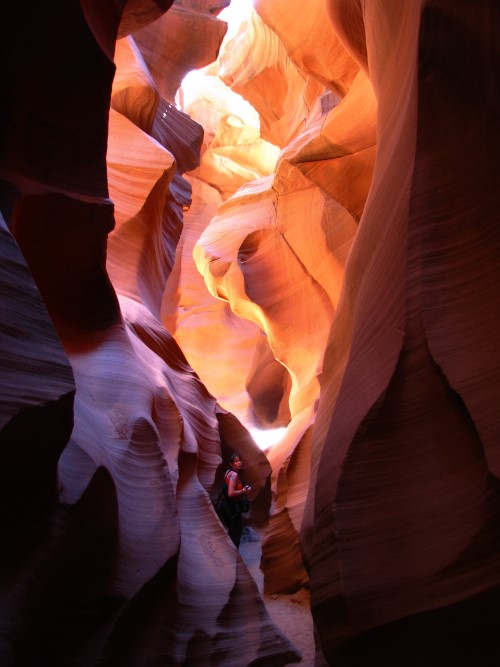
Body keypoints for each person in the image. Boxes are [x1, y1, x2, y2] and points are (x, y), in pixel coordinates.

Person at [222, 453, 251, 548]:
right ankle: (234, 557)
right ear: (231, 464)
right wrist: (243, 491)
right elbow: (230, 493)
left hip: (226, 505)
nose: (239, 462)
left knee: (232, 532)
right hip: (231, 508)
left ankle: (231, 555)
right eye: (236, 461)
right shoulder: (234, 475)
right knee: (236, 534)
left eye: (239, 460)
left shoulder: (228, 472)